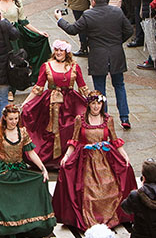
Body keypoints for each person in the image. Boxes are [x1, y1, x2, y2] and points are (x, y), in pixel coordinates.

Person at [52, 92, 137, 230]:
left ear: (102, 104)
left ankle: (110, 216)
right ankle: (90, 218)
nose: (96, 106)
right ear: (88, 105)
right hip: (86, 160)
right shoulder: (80, 119)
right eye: (93, 103)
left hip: (105, 159)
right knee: (88, 191)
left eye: (98, 103)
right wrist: (67, 156)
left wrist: (125, 155)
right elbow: (74, 140)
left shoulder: (108, 119)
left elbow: (114, 140)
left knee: (111, 187)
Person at [56, 0, 135, 128]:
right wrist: (117, 42)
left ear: (93, 1)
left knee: (100, 88)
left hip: (98, 55)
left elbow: (72, 30)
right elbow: (129, 30)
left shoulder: (88, 15)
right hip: (116, 54)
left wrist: (60, 19)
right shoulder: (117, 12)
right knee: (119, 85)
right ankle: (124, 117)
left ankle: (103, 117)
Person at [0, 105, 56, 237]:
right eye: (11, 119)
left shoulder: (22, 132)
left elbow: (31, 153)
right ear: (5, 118)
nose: (14, 121)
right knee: (1, 196)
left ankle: (22, 225)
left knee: (25, 195)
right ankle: (3, 226)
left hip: (19, 168)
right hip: (3, 169)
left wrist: (43, 168)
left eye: (16, 119)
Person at [21, 40, 89, 169]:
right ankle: (48, 160)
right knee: (49, 131)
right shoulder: (47, 66)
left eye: (61, 50)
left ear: (66, 52)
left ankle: (66, 159)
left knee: (70, 128)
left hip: (70, 103)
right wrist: (26, 102)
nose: (58, 53)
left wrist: (93, 100)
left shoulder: (74, 67)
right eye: (56, 50)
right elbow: (38, 87)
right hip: (50, 103)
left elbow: (82, 87)